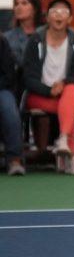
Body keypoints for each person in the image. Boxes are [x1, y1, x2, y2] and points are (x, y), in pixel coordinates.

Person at [22, 0, 74, 175]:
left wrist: (63, 84)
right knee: (69, 109)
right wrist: (48, 90)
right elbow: (28, 77)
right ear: (47, 17)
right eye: (54, 12)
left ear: (70, 19)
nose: (58, 15)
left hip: (66, 92)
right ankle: (71, 156)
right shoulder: (35, 40)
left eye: (64, 12)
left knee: (72, 90)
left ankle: (63, 141)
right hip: (39, 94)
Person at [0, 32, 24, 176]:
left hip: (1, 88)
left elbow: (9, 74)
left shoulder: (1, 42)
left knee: (9, 109)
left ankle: (14, 159)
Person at [5, 0, 43, 68]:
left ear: (34, 9)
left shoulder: (45, 34)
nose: (19, 7)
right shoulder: (6, 38)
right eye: (16, 4)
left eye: (24, 3)